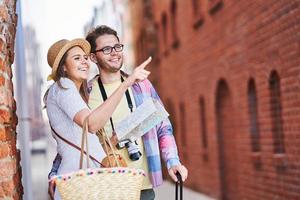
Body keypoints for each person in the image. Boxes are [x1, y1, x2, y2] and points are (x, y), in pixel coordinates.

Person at [48, 25, 188, 200]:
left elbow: (163, 128)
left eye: (117, 47)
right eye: (106, 49)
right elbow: (77, 138)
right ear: (93, 57)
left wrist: (173, 161)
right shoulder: (85, 93)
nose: (114, 52)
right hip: (106, 187)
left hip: (142, 185)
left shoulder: (142, 85)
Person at [45, 38, 151, 200]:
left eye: (85, 57)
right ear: (64, 67)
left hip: (86, 181)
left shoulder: (72, 93)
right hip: (80, 183)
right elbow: (91, 124)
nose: (84, 62)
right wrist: (125, 85)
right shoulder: (64, 85)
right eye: (77, 58)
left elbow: (81, 137)